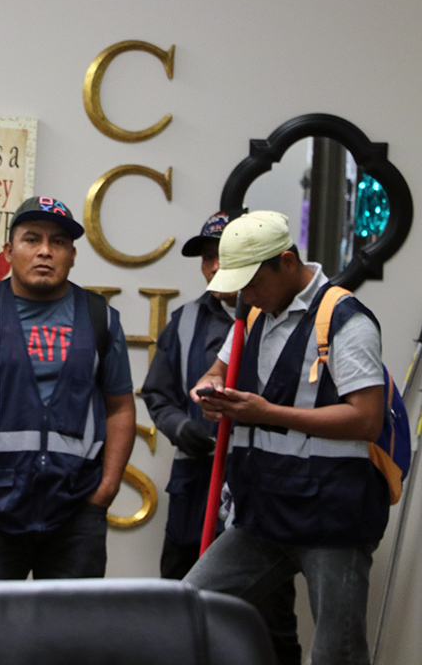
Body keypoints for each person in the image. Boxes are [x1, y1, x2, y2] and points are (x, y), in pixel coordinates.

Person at [186, 211, 387, 665]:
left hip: (331, 519)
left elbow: (366, 418)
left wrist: (268, 413)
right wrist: (207, 391)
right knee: (188, 608)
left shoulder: (345, 319)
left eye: (253, 281)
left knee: (336, 653)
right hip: (262, 514)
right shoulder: (254, 312)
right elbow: (215, 371)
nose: (245, 294)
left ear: (288, 262)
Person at [0, 196, 135, 581]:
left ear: (72, 254)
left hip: (76, 511)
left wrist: (105, 491)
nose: (45, 251)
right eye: (32, 239)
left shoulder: (100, 317)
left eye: (58, 242)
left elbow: (120, 407)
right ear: (9, 251)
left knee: (69, 634)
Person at [142, 209, 301, 665]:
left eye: (222, 256)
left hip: (258, 483)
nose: (215, 267)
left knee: (267, 613)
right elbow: (158, 392)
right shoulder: (186, 319)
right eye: (208, 257)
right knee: (180, 599)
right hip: (196, 480)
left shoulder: (279, 319)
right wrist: (182, 427)